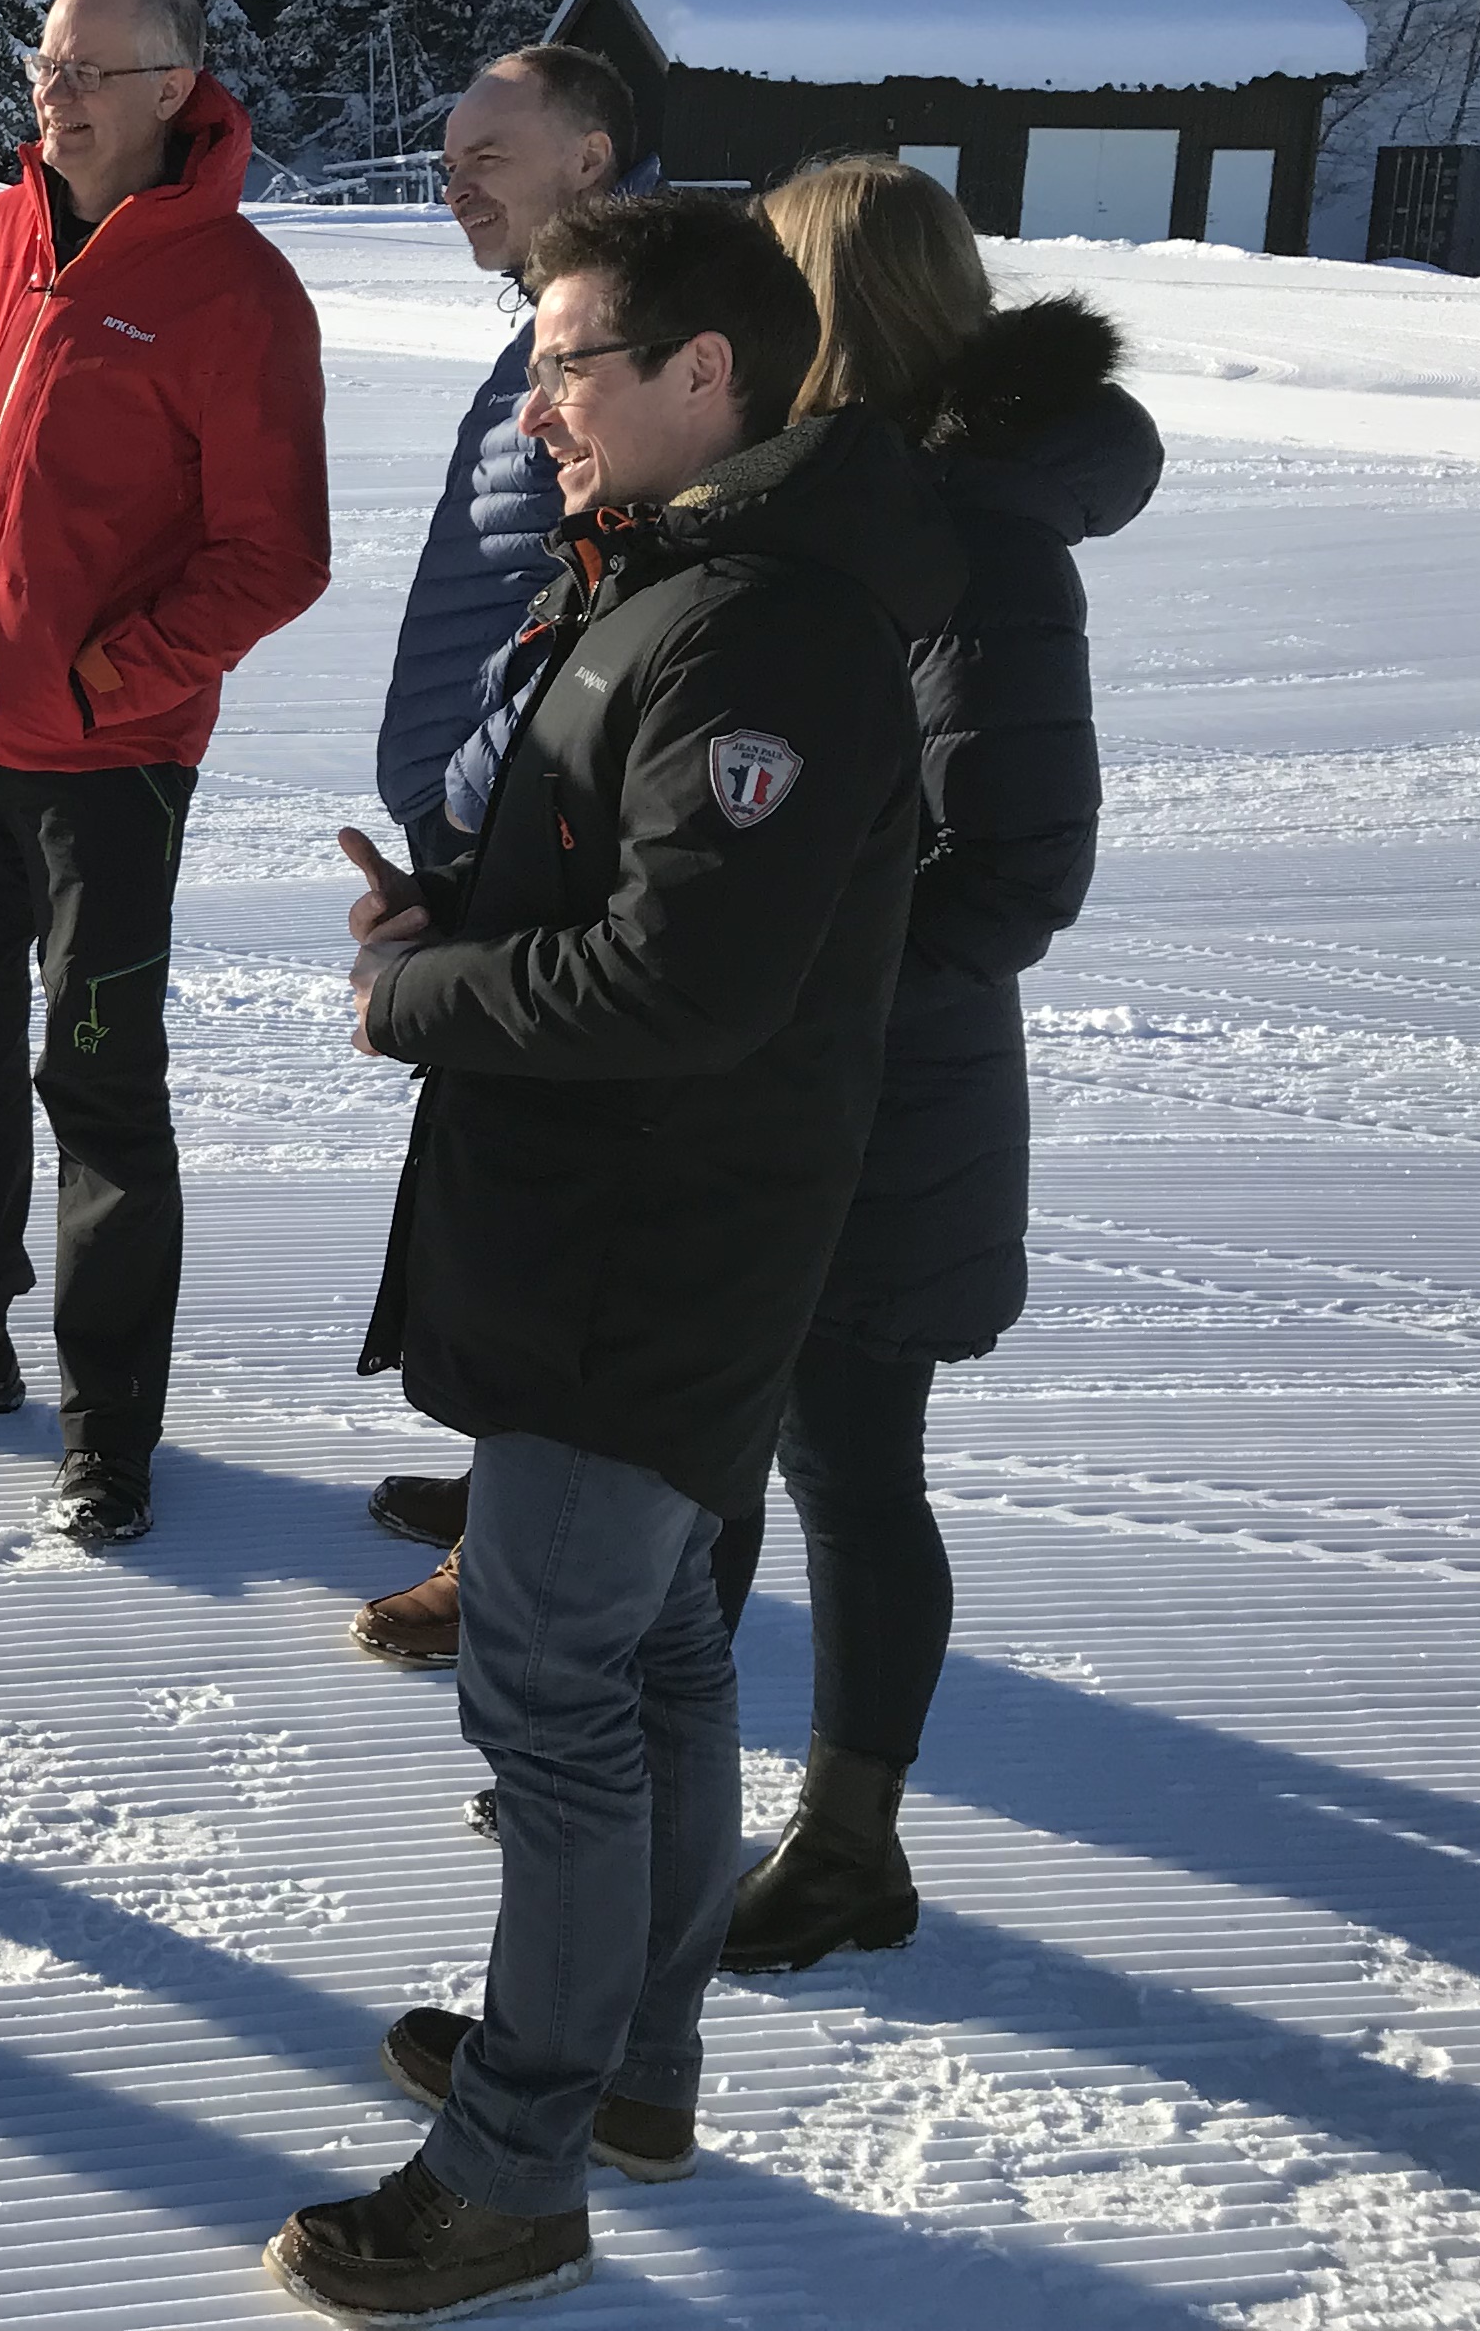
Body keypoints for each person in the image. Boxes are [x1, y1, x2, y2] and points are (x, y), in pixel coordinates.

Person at [266, 193, 957, 2321]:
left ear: (704, 378)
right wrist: (451, 913)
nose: (537, 400)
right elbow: (626, 882)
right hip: (638, 1233)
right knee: (651, 1670)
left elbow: (685, 984)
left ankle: (512, 2175)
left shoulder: (763, 628)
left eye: (569, 361)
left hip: (652, 1252)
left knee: (553, 1700)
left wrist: (419, 998)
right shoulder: (691, 579)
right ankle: (624, 2073)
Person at [0, 0, 334, 1547]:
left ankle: (110, 1426)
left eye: (93, 70)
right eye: (45, 64)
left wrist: (117, 684)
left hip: (109, 773)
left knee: (102, 1094)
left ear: (178, 89)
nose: (58, 93)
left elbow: (274, 553)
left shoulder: (238, 293)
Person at [710, 155, 1161, 1973]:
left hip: (888, 1103)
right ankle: (661, 1778)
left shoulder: (975, 542)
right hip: (770, 1082)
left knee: (848, 1465)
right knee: (719, 1448)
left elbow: (1019, 872)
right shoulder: (831, 508)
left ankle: (848, 1842)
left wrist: (819, 986)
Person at [354, 44, 640, 1632]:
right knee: (482, 1172)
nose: (451, 180)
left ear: (592, 158)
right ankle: (507, 1478)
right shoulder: (555, 316)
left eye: (490, 157)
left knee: (533, 1192)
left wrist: (478, 793)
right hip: (478, 814)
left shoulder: (628, 341)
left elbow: (587, 596)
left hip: (530, 826)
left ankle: (527, 1547)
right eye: (447, 155)